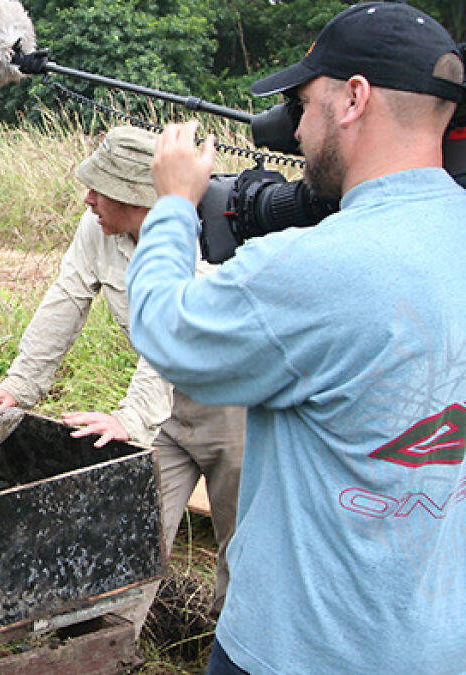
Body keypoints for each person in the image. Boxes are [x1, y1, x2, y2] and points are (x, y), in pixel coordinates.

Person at [125, 4, 466, 673]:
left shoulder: (315, 269)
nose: (298, 129)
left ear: (354, 98)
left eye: (304, 104)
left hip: (301, 651)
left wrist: (172, 204)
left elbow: (165, 329)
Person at [0, 126, 245, 634]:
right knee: (131, 535)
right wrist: (18, 387)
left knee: (243, 546)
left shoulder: (204, 239)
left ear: (135, 194)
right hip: (166, 413)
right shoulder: (97, 228)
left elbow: (175, 336)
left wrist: (130, 417)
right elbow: (66, 299)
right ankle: (109, 648)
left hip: (235, 408)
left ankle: (234, 649)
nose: (88, 199)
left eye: (99, 189)